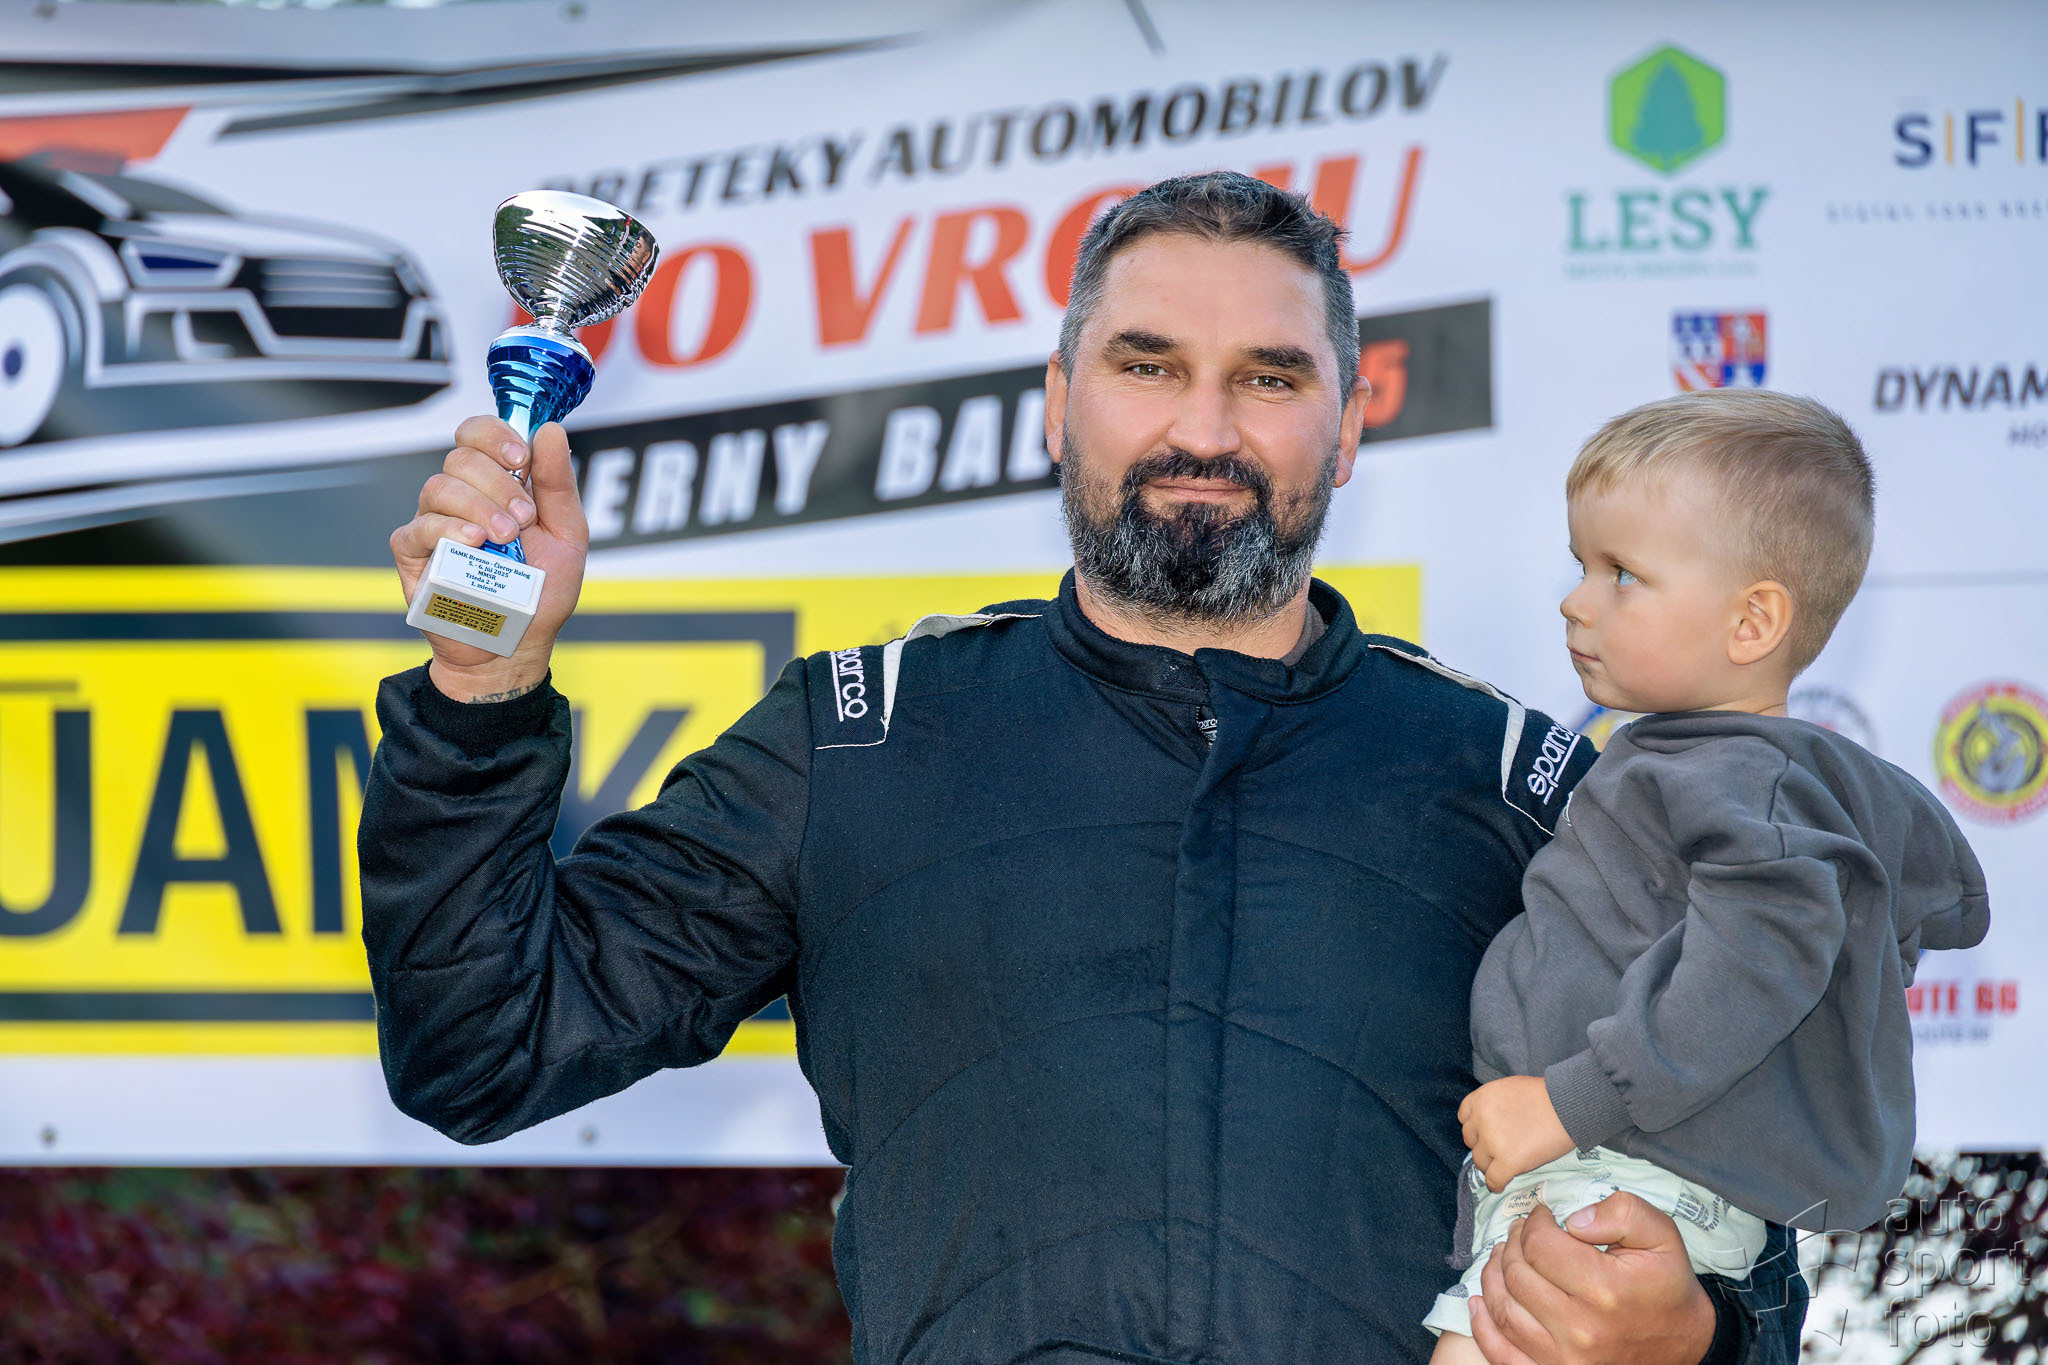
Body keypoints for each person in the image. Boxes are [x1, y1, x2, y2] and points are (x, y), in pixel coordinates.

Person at [363, 172, 1808, 1364]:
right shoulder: (856, 736)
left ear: (1349, 426)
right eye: (1146, 365)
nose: (1204, 430)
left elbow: (1739, 1237)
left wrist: (1692, 1331)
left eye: (1268, 377)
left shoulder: (1527, 790)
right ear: (1058, 402)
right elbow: (481, 1049)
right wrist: (481, 687)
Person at [1425, 391, 1991, 1362]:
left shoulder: (1739, 781)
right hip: (1611, 1170)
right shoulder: (1715, 768)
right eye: (1579, 565)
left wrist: (1569, 1102)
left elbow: (1754, 969)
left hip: (1616, 1178)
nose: (1575, 601)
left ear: (1752, 621)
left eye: (1622, 575)